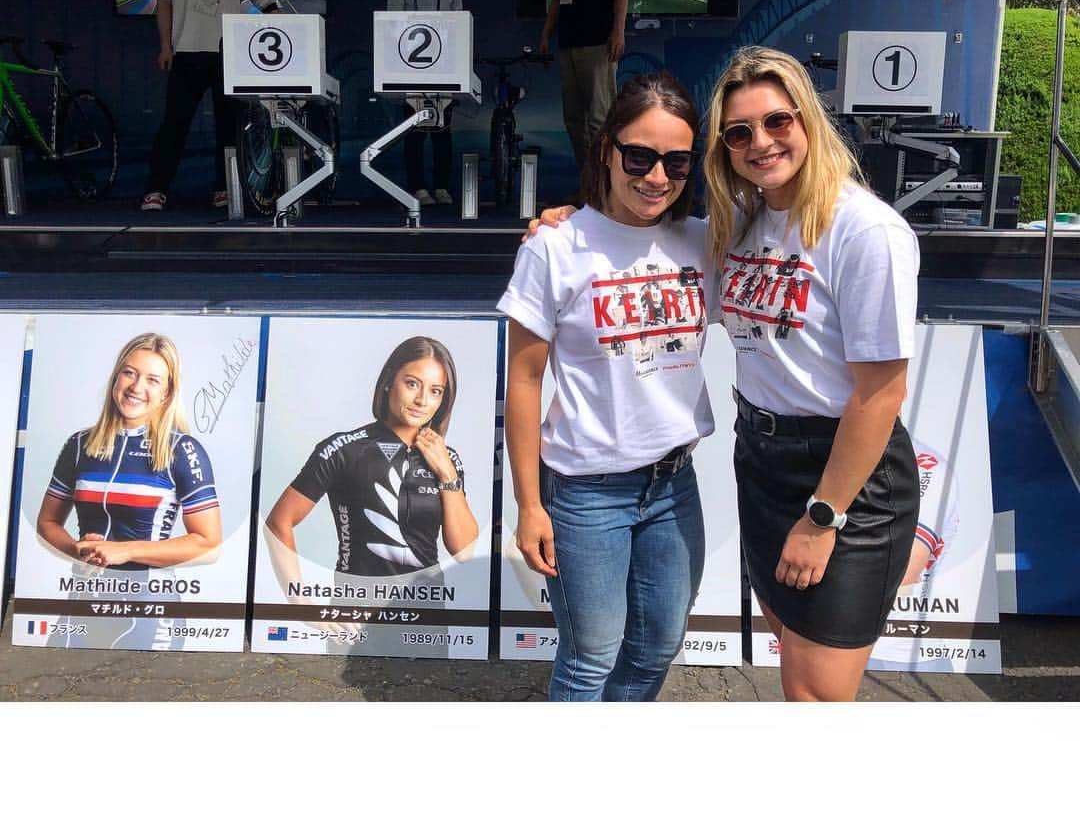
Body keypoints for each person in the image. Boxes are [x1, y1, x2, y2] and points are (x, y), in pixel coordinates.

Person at [532, 46, 922, 701]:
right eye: (739, 132)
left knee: (817, 696)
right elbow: (639, 247)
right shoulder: (738, 227)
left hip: (842, 476)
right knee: (792, 663)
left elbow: (881, 392)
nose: (760, 142)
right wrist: (573, 219)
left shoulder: (864, 231)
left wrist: (823, 517)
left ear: (808, 122)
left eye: (778, 122)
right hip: (763, 464)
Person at [499, 72, 713, 701]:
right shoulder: (555, 249)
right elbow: (524, 381)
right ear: (607, 151)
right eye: (639, 156)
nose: (656, 177)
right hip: (586, 493)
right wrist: (530, 504)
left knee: (656, 649)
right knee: (591, 659)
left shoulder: (702, 242)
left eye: (675, 161)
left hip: (675, 484)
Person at [265, 336, 478, 577]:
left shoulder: (447, 459)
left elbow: (464, 552)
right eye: (411, 384)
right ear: (389, 381)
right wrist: (300, 604)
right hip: (354, 608)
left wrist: (447, 474)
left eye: (435, 391)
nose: (422, 400)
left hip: (427, 608)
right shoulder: (344, 449)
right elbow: (278, 523)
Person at [142, 0, 280, 212]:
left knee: (228, 126)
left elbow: (265, 1)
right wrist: (165, 45)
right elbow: (163, 2)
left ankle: (224, 187)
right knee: (174, 124)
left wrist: (291, 31)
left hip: (228, 54)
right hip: (185, 50)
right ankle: (156, 189)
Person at [37, 333, 221, 569]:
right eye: (129, 373)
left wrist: (126, 550)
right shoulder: (79, 444)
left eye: (153, 380)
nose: (136, 387)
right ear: (116, 377)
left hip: (150, 600)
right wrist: (76, 549)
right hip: (83, 600)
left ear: (167, 392)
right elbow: (47, 523)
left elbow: (209, 546)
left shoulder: (183, 450)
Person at [539, 0, 629, 177]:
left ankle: (607, 188)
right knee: (574, 121)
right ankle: (589, 186)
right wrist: (545, 36)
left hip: (598, 41)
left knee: (600, 120)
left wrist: (618, 31)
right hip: (568, 41)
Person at [386, 0, 463, 206]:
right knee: (415, 129)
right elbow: (392, 25)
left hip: (444, 69)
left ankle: (442, 186)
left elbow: (458, 30)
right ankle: (417, 187)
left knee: (443, 129)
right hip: (410, 67)